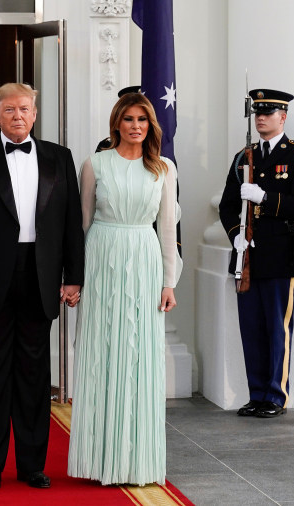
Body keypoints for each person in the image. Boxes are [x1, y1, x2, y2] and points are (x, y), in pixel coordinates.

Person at [0, 82, 85, 491]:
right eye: (9, 110)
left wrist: (73, 277)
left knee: (33, 376)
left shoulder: (59, 158)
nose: (17, 116)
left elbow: (71, 224)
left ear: (35, 113)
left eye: (24, 109)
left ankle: (31, 465)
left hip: (41, 277)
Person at [68, 92, 181, 486]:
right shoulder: (94, 164)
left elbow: (168, 228)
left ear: (151, 126)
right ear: (116, 122)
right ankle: (99, 459)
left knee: (139, 356)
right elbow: (82, 225)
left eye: (143, 120)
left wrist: (169, 281)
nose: (136, 126)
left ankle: (137, 460)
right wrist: (76, 277)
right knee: (102, 351)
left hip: (145, 261)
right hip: (101, 259)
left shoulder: (164, 168)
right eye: (129, 119)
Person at [219, 89, 294, 418]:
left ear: (283, 117)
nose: (261, 118)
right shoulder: (242, 157)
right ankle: (256, 393)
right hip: (247, 256)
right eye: (257, 112)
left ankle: (275, 395)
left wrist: (264, 197)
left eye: (269, 113)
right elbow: (227, 206)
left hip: (280, 255)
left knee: (277, 326)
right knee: (251, 327)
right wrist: (235, 236)